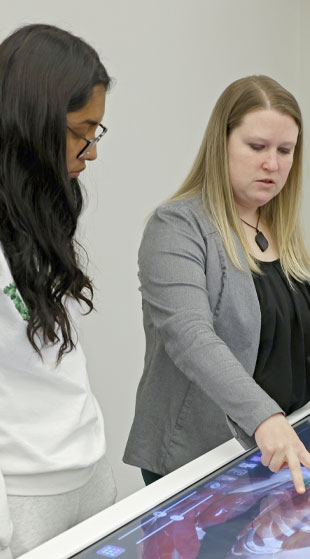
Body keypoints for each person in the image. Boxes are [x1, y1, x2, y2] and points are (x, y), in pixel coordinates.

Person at [124, 75, 310, 494]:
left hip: (277, 448)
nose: (273, 163)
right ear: (222, 143)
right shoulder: (177, 226)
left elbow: (282, 311)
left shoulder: (273, 220)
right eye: (257, 147)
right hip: (201, 456)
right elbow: (191, 336)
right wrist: (265, 418)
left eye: (285, 150)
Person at [0, 24, 115, 558]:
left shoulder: (45, 206)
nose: (90, 151)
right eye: (81, 130)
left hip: (88, 471)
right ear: (33, 120)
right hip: (22, 499)